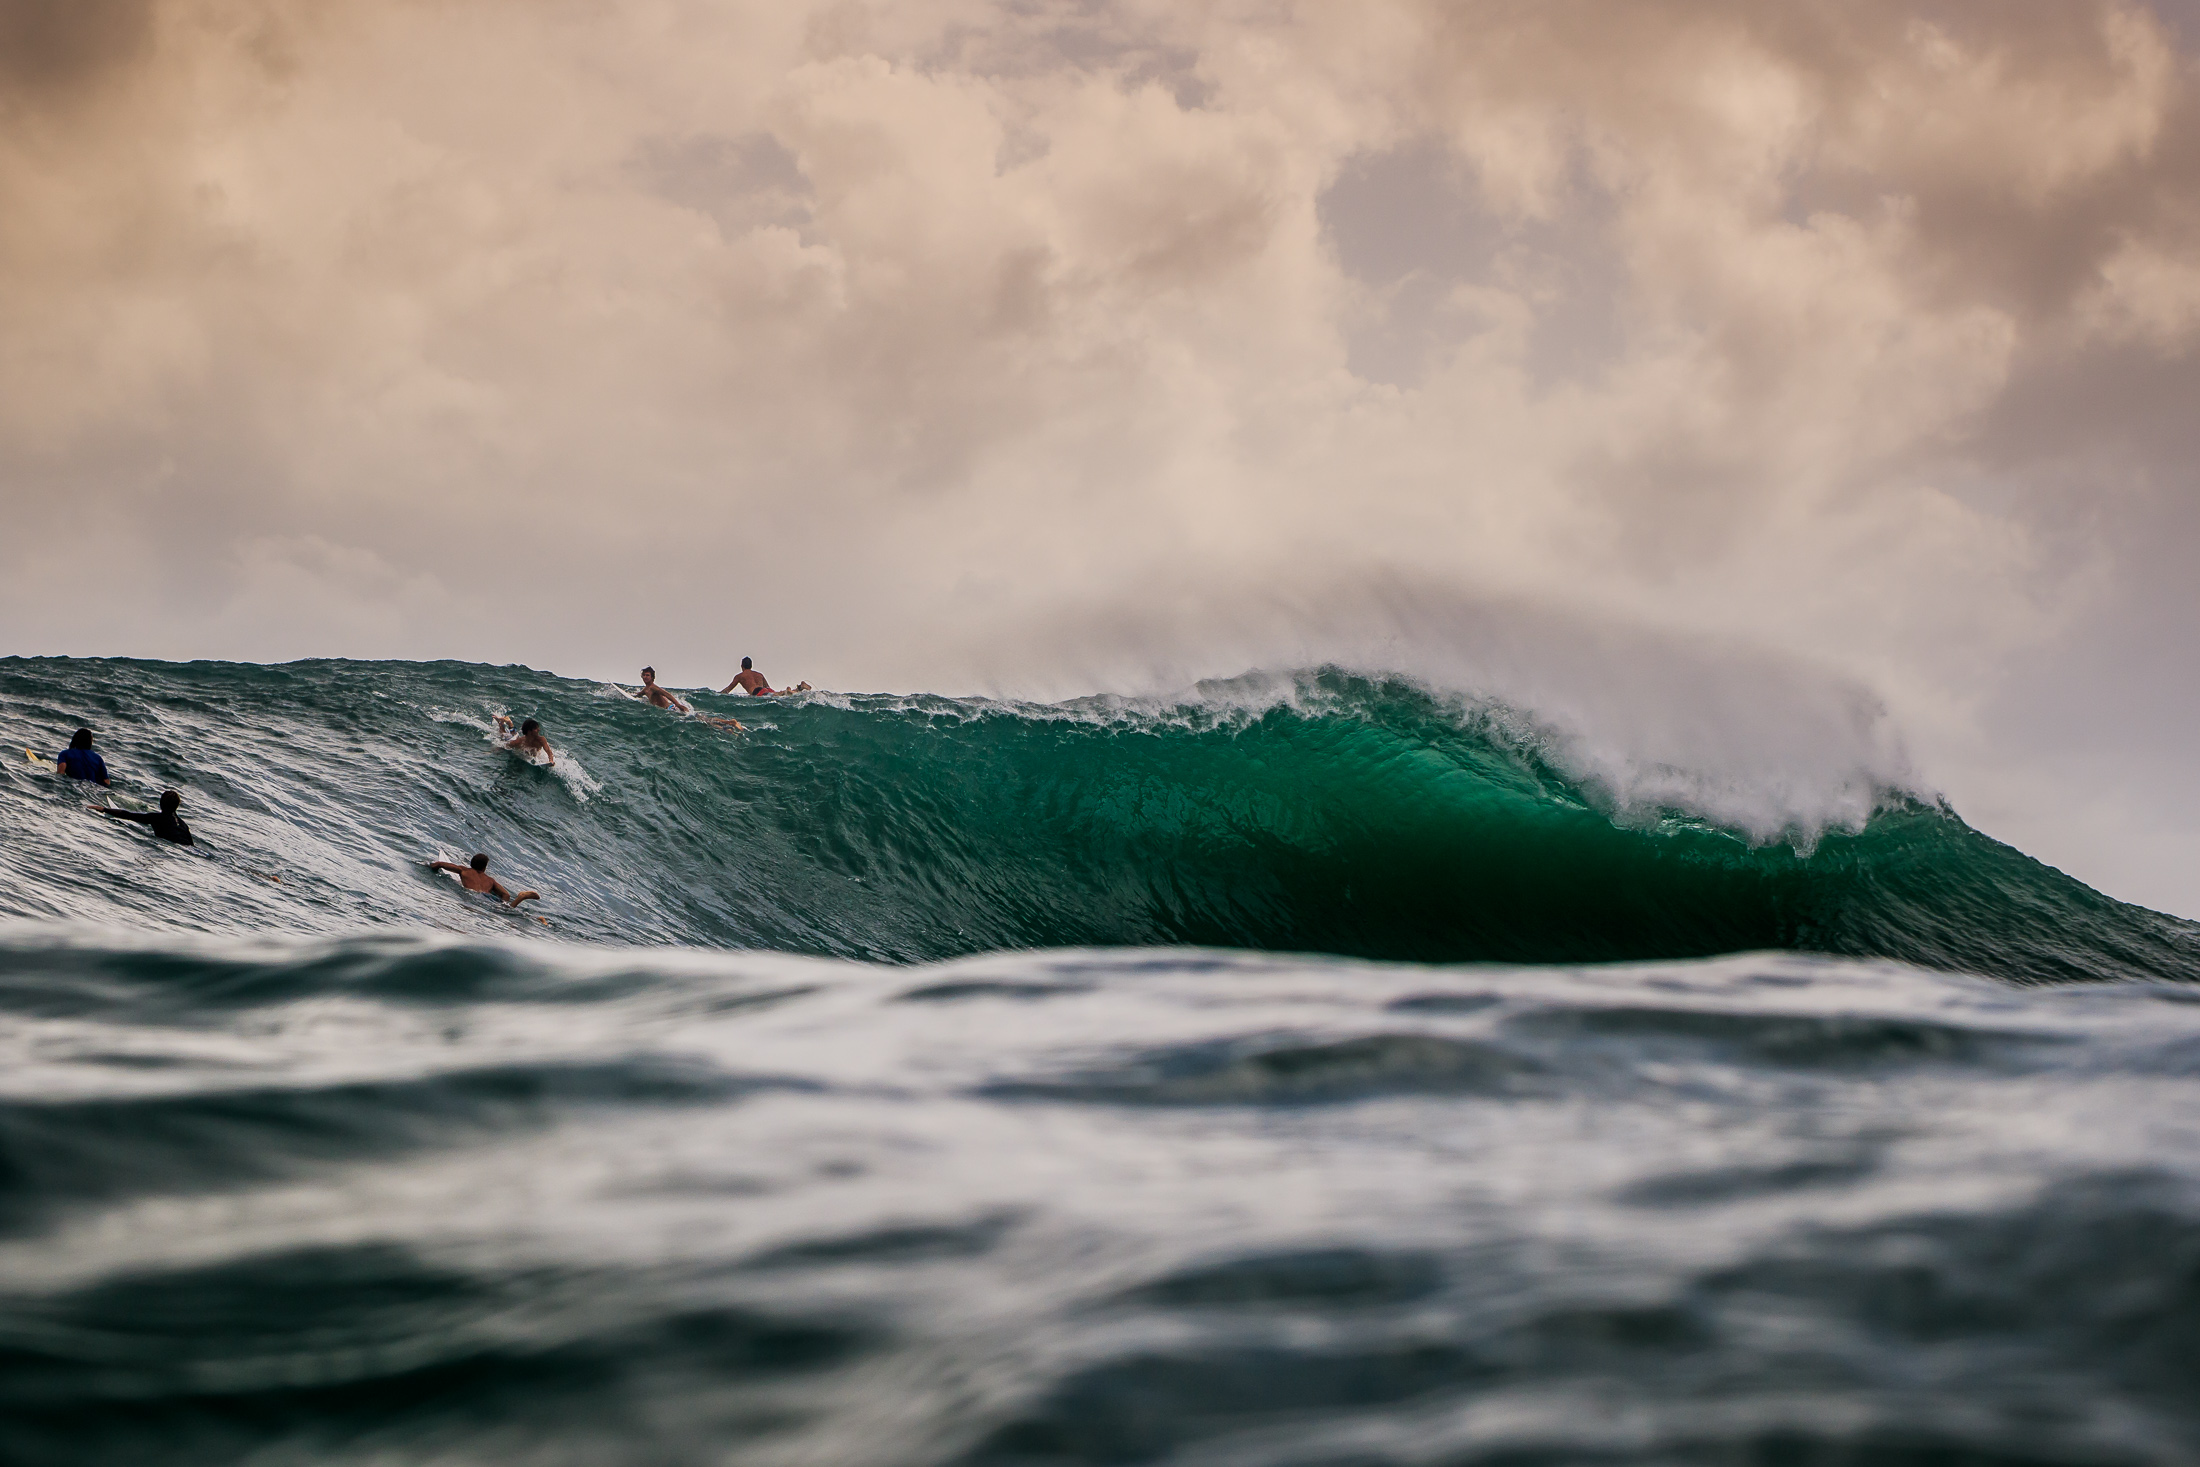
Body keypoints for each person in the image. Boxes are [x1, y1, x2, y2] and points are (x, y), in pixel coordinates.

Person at [634, 666, 745, 732]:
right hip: (671, 709)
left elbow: (668, 695)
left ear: (652, 677)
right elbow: (640, 694)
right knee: (701, 719)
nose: (645, 677)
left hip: (672, 709)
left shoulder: (653, 687)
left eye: (647, 675)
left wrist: (678, 705)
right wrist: (635, 696)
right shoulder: (646, 689)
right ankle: (728, 725)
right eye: (643, 675)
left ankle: (728, 724)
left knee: (700, 720)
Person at [425, 852, 540, 907]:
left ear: (471, 863)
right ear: (484, 867)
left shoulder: (464, 870)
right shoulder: (491, 880)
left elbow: (440, 864)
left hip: (473, 896)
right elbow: (506, 895)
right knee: (506, 908)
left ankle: (521, 897)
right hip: (488, 897)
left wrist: (430, 868)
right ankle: (521, 898)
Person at [98, 788, 194, 845]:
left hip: (175, 847)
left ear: (161, 804)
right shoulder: (184, 825)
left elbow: (128, 815)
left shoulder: (157, 818)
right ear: (177, 805)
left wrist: (104, 809)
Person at [720, 658, 812, 696]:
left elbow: (728, 690)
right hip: (765, 690)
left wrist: (716, 695)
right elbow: (768, 688)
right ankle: (799, 688)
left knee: (776, 696)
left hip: (757, 693)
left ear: (742, 666)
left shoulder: (739, 676)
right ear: (751, 666)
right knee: (776, 694)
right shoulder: (759, 674)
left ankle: (788, 691)